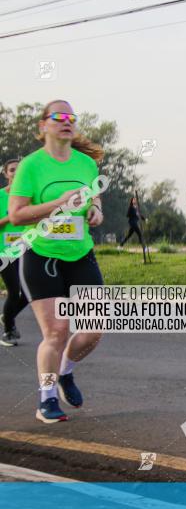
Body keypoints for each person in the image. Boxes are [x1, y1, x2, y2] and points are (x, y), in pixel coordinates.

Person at [8, 99, 106, 423]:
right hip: (41, 255)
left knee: (94, 331)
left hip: (80, 254)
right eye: (58, 116)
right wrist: (55, 204)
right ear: (43, 126)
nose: (67, 121)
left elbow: (94, 201)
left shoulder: (86, 165)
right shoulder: (31, 166)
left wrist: (95, 211)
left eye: (71, 117)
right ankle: (46, 397)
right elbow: (16, 215)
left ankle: (65, 372)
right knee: (56, 332)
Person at [0, 159, 29, 346]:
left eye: (20, 169)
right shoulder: (1, 196)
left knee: (29, 293)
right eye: (12, 170)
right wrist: (13, 216)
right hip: (5, 252)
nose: (16, 173)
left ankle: (8, 315)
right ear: (5, 174)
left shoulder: (30, 196)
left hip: (28, 249)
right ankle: (9, 331)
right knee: (14, 291)